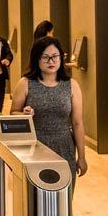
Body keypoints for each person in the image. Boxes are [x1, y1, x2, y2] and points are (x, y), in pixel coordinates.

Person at [10, 36, 87, 188]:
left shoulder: (71, 85)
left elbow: (77, 123)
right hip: (34, 146)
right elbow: (13, 113)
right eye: (45, 57)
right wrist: (24, 115)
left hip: (64, 147)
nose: (51, 61)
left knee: (64, 194)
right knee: (36, 194)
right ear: (36, 59)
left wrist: (82, 156)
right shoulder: (25, 83)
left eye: (55, 56)